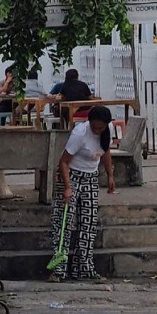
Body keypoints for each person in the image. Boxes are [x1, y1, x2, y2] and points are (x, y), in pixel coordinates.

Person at [49, 104, 115, 283]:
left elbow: (106, 151)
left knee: (88, 224)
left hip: (91, 177)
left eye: (101, 127)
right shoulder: (80, 133)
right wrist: (68, 187)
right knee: (64, 224)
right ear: (89, 121)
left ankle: (83, 268)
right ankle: (59, 270)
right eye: (95, 126)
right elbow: (63, 162)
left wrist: (110, 175)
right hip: (71, 175)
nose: (97, 130)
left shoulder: (108, 130)